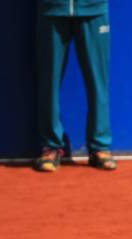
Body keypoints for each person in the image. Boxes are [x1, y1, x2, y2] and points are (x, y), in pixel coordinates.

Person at [34, 0, 116, 172]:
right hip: (53, 8)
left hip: (94, 9)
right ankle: (51, 146)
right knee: (49, 82)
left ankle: (99, 146)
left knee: (98, 83)